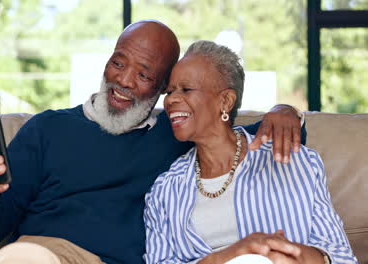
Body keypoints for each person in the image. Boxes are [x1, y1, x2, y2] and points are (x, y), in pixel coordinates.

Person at [0, 21, 304, 264]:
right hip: (46, 254)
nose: (123, 81)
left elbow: (250, 134)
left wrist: (284, 111)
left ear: (162, 89)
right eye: (118, 63)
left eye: (143, 75)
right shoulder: (47, 129)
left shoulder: (176, 135)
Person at [143, 40, 357, 264]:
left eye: (186, 89)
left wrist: (293, 256)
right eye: (169, 92)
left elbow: (342, 257)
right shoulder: (165, 190)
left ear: (225, 101)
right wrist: (229, 256)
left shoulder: (298, 162)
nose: (172, 100)